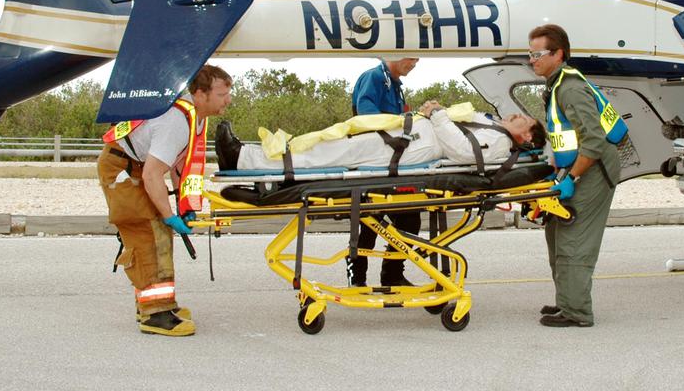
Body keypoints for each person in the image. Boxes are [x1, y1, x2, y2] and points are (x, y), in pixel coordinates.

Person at [97, 64, 233, 337]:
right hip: (123, 169)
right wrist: (168, 215)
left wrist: (184, 207)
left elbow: (177, 166)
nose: (228, 100)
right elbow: (152, 174)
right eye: (222, 94)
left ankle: (154, 304)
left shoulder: (195, 117)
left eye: (229, 93)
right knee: (150, 232)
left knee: (157, 231)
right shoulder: (176, 122)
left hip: (138, 166)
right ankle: (156, 314)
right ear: (200, 93)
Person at [528, 24, 624, 328]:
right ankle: (566, 300)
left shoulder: (569, 88)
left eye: (538, 54)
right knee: (555, 230)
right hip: (578, 166)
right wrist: (559, 172)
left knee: (574, 235)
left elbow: (594, 141)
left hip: (595, 168)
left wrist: (573, 179)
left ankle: (578, 311)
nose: (532, 60)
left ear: (559, 54)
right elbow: (566, 137)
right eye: (530, 54)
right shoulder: (556, 85)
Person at [214, 102, 545, 172]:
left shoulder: (500, 142)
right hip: (404, 136)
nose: (517, 115)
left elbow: (462, 150)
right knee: (327, 144)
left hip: (407, 147)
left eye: (524, 120)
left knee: (326, 156)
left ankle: (241, 158)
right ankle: (248, 152)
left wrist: (437, 114)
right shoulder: (491, 125)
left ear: (526, 138)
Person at [349, 57, 420, 288]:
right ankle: (357, 280)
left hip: (392, 165)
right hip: (373, 163)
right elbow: (367, 117)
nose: (415, 64)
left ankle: (392, 274)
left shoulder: (395, 86)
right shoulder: (375, 78)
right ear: (396, 54)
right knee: (370, 224)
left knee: (410, 219)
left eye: (418, 59)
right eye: (412, 58)